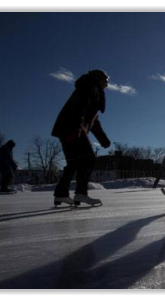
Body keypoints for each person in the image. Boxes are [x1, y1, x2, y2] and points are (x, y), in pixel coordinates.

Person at [52, 70, 112, 207]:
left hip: (66, 129)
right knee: (89, 159)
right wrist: (76, 130)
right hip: (72, 128)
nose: (107, 85)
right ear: (99, 79)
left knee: (73, 163)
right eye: (106, 81)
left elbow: (93, 121)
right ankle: (81, 193)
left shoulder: (89, 87)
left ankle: (61, 194)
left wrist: (103, 140)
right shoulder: (91, 88)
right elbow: (79, 109)